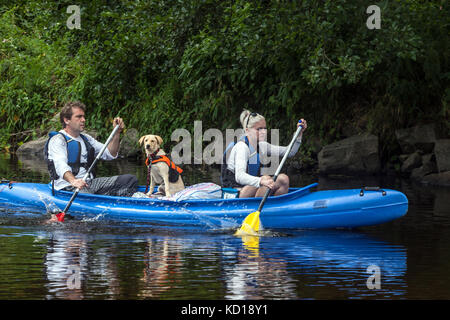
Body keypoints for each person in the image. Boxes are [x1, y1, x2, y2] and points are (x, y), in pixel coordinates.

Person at [45, 101, 138, 209]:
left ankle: (120, 204)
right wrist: (74, 181)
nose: (83, 120)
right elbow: (60, 165)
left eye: (83, 117)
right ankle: (107, 204)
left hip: (89, 183)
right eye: (79, 117)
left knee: (130, 180)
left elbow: (110, 154)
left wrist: (117, 133)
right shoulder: (58, 140)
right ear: (67, 120)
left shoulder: (86, 139)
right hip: (67, 187)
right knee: (88, 196)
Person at [221, 110, 307, 198]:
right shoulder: (242, 147)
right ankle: (259, 204)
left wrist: (299, 134)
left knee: (283, 179)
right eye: (259, 129)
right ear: (247, 131)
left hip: (250, 189)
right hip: (233, 193)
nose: (263, 132)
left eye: (264, 128)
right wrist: (261, 181)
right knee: (266, 179)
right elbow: (239, 176)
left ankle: (275, 206)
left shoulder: (262, 146)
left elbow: (289, 152)